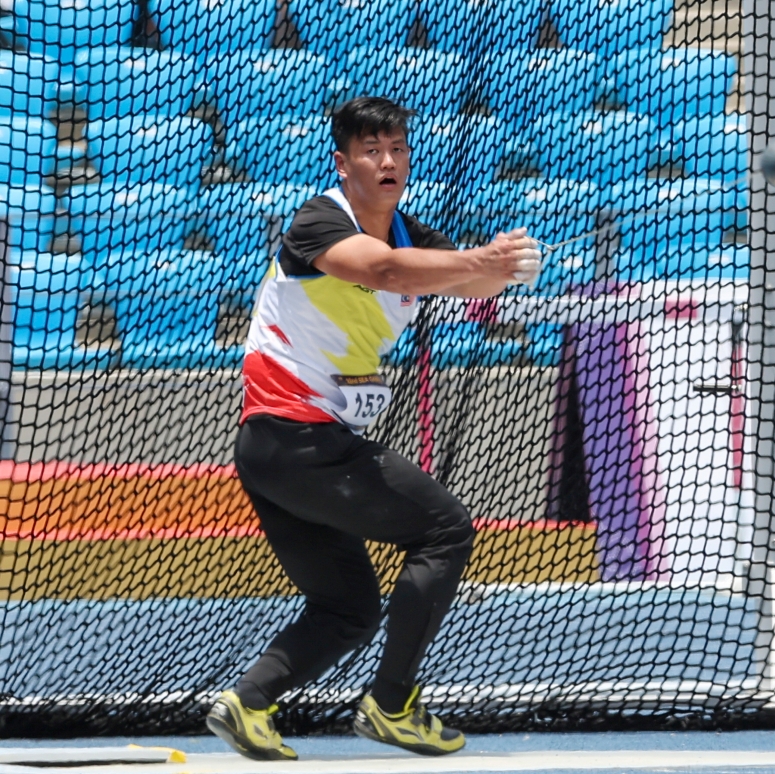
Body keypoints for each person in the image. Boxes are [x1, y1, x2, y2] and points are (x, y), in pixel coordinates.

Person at [205, 97, 541, 761]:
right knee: (444, 528)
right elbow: (381, 270)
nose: (386, 162)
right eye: (370, 150)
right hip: (297, 440)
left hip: (295, 450)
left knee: (349, 607)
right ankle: (392, 705)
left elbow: (470, 285)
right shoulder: (317, 221)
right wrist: (479, 261)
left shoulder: (419, 239)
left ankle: (246, 703)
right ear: (344, 162)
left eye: (396, 149)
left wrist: (507, 265)